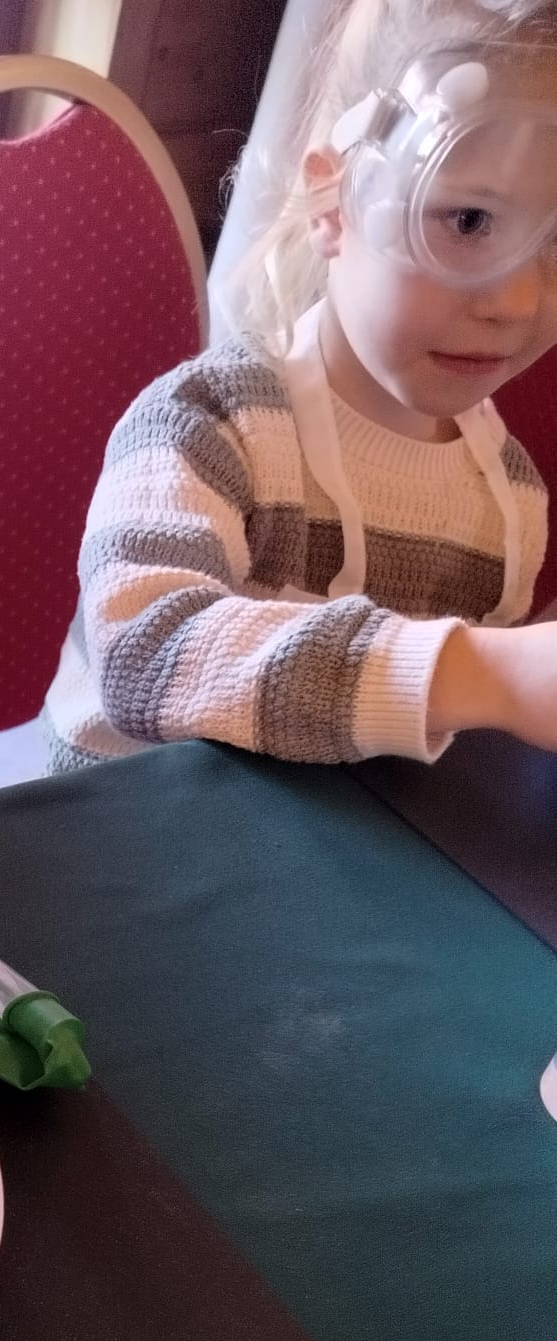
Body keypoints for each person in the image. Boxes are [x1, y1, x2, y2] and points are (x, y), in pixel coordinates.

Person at [44, 0, 557, 771]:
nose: (515, 302)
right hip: (125, 825)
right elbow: (145, 655)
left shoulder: (511, 497)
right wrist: (489, 674)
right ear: (333, 203)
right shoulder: (206, 426)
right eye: (468, 222)